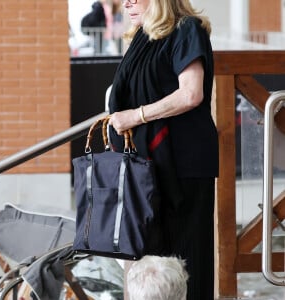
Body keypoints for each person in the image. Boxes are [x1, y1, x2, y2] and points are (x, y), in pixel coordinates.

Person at [108, 0, 219, 299]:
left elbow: (191, 93)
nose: (126, 2)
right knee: (147, 264)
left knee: (186, 261)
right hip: (146, 168)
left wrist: (136, 115)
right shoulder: (142, 36)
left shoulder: (186, 30)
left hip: (182, 166)